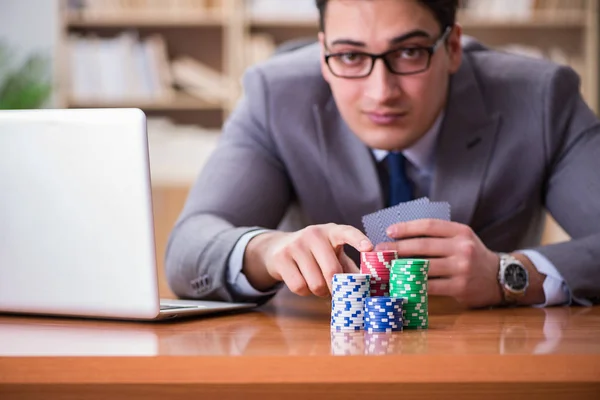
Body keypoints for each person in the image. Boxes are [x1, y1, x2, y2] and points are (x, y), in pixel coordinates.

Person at [165, 0, 600, 308]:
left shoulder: (541, 99)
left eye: (409, 52)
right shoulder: (275, 96)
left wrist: (511, 273)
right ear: (322, 54)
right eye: (351, 56)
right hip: (324, 361)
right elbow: (187, 249)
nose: (381, 93)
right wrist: (267, 250)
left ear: (452, 48)